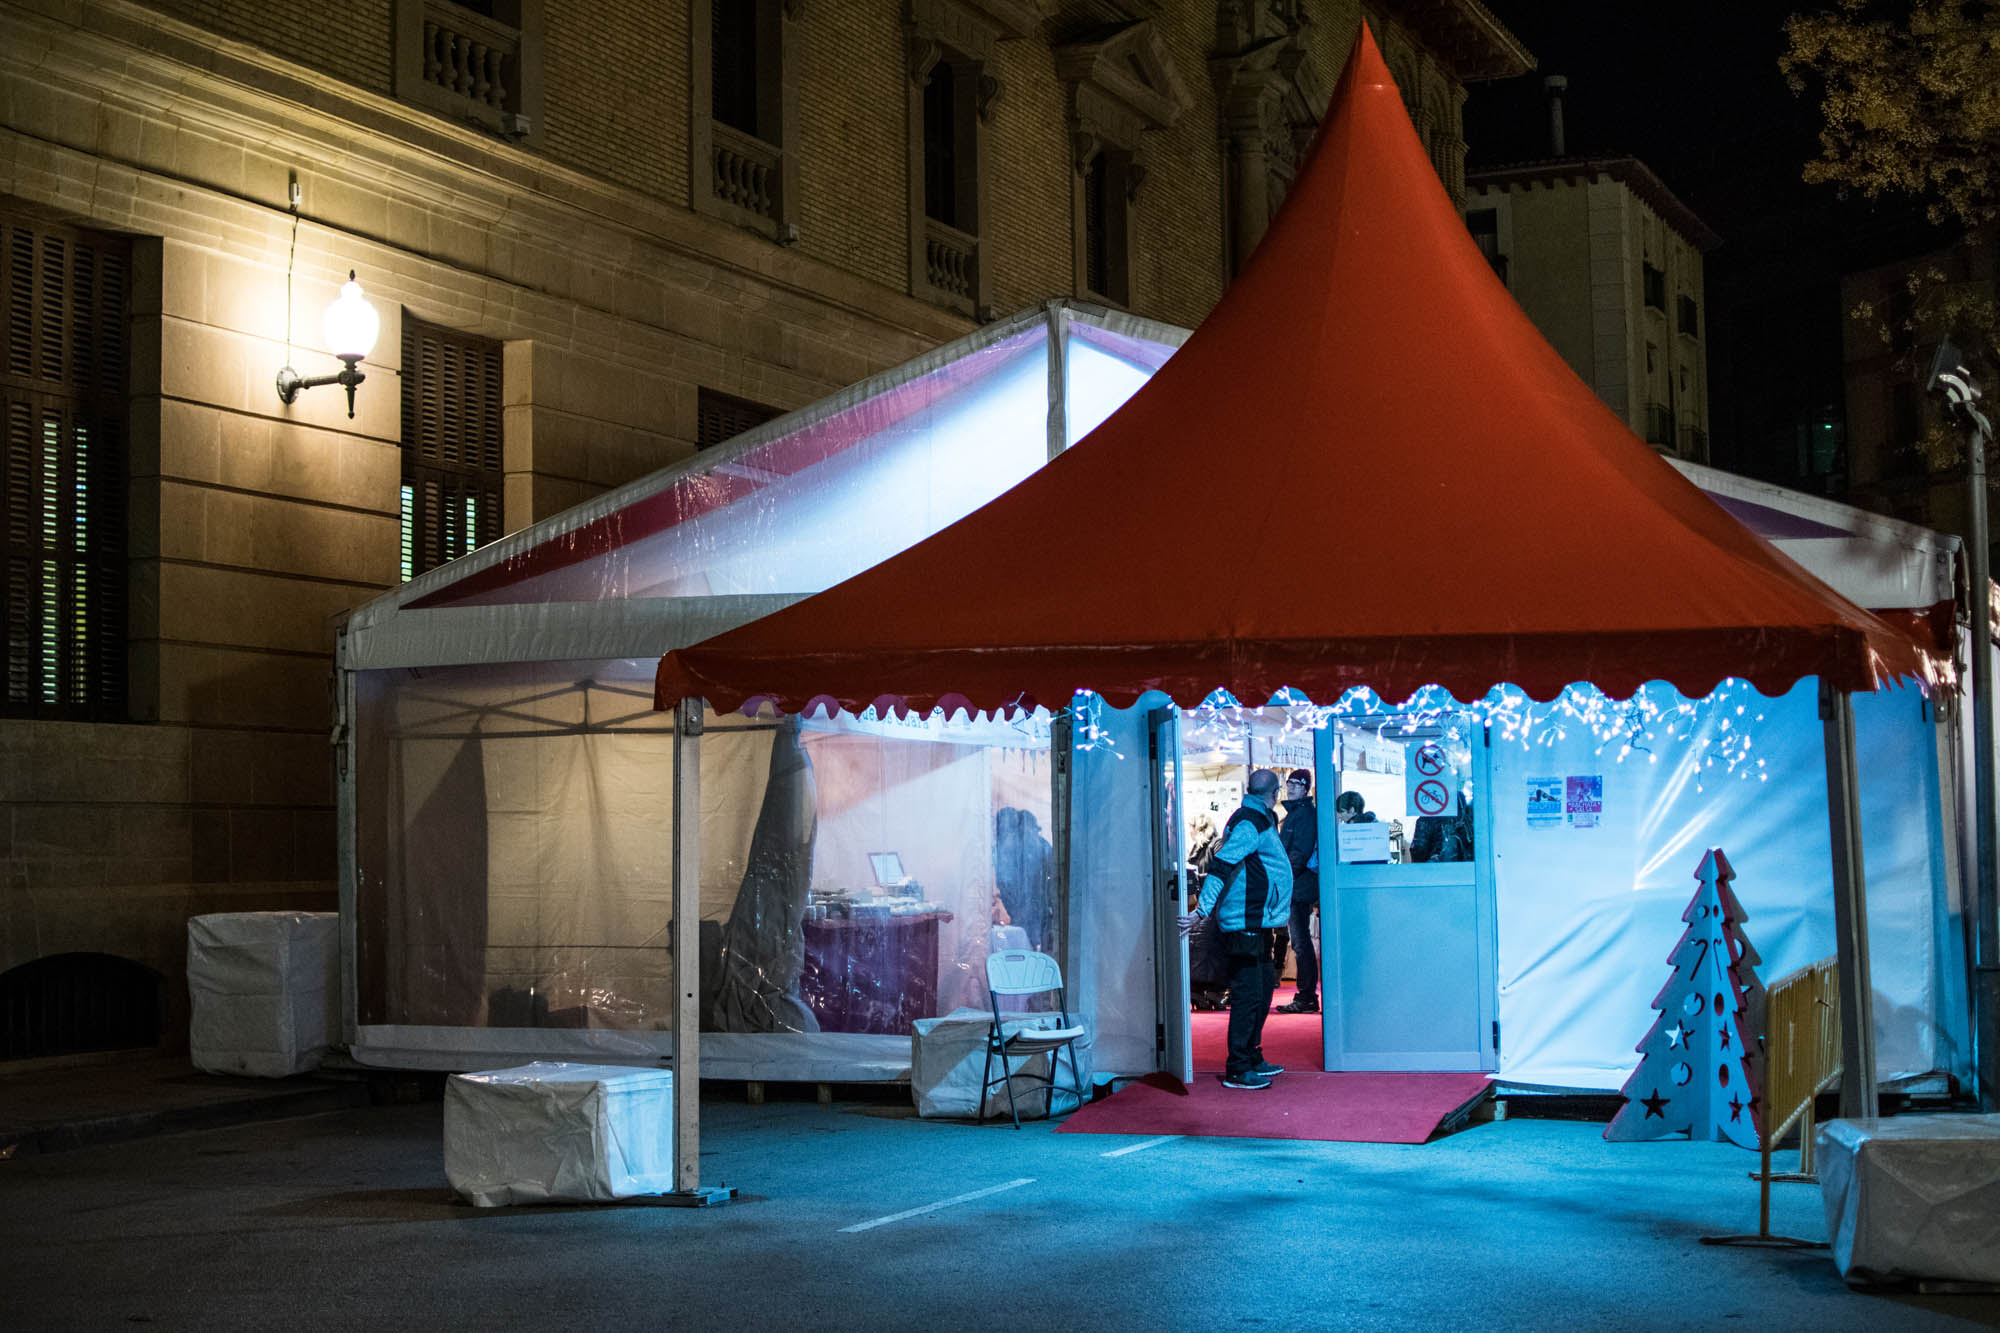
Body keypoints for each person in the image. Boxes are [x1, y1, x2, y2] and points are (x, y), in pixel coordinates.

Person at [1179, 768, 1293, 1090]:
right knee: (1248, 994)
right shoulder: (1250, 821)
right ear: (1275, 793)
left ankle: (1251, 1056)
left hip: (1257, 920)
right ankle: (1239, 1067)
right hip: (1246, 920)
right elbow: (1222, 865)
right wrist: (1201, 910)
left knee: (1261, 991)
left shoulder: (1258, 818)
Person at [1274, 768, 1321, 1014]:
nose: (1290, 787)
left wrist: (1284, 879)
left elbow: (1298, 853)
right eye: (1288, 783)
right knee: (1299, 942)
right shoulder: (1297, 814)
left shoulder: (1302, 815)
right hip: (1298, 884)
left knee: (1300, 942)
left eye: (1295, 784)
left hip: (1298, 886)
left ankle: (1306, 996)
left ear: (1305, 788)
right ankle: (1306, 995)